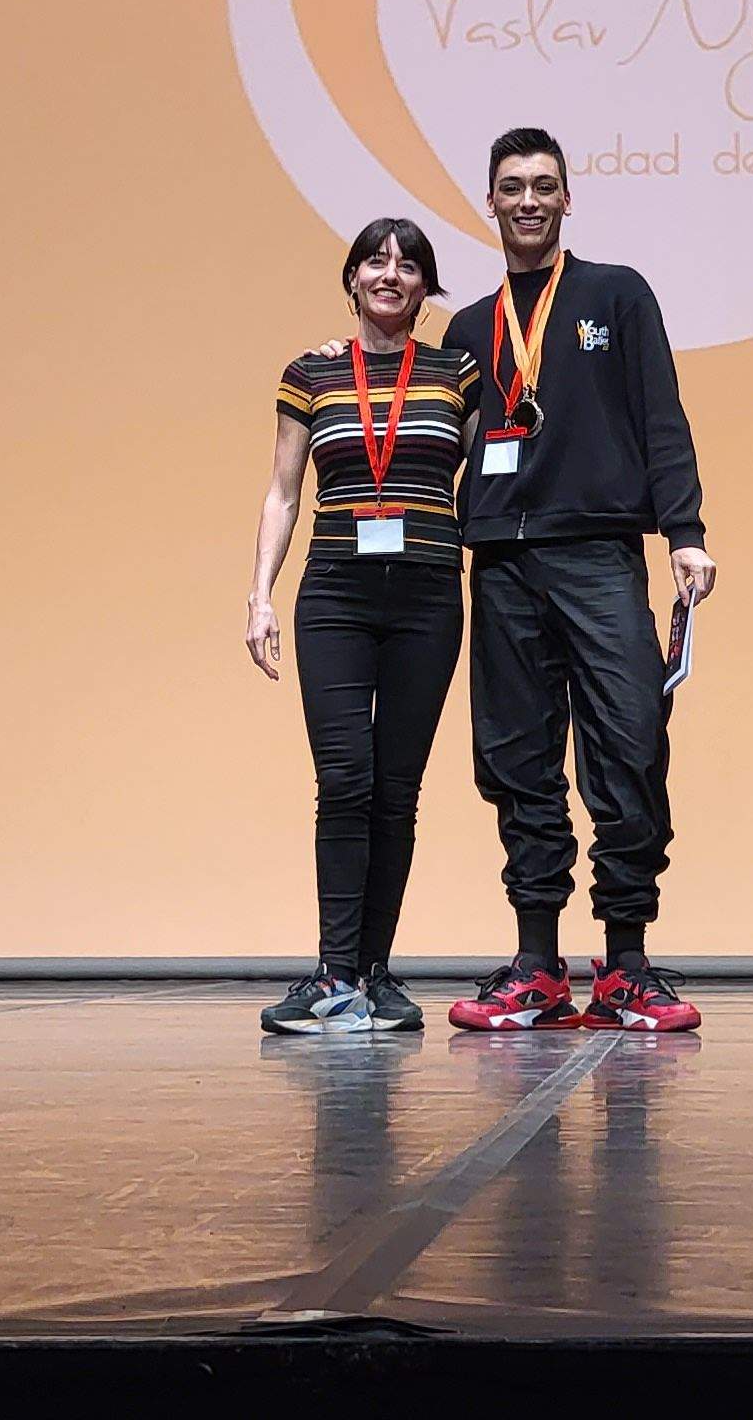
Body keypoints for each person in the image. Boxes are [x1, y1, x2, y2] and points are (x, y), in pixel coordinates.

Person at [436, 128, 716, 1034]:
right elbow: (435, 440)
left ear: (567, 198)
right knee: (516, 760)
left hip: (598, 553)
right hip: (505, 561)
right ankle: (537, 966)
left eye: (543, 185)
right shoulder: (470, 328)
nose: (527, 199)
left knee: (630, 745)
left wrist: (685, 532)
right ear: (490, 200)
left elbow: (660, 417)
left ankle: (627, 964)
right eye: (511, 186)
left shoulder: (616, 295)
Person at [247, 219, 483, 1035]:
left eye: (409, 264)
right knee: (345, 780)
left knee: (397, 791)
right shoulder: (308, 373)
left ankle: (376, 976)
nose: (391, 274)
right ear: (351, 280)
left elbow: (493, 479)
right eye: (375, 261)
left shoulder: (460, 374)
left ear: (425, 289)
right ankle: (331, 972)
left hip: (427, 595)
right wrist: (260, 596)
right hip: (336, 595)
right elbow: (283, 492)